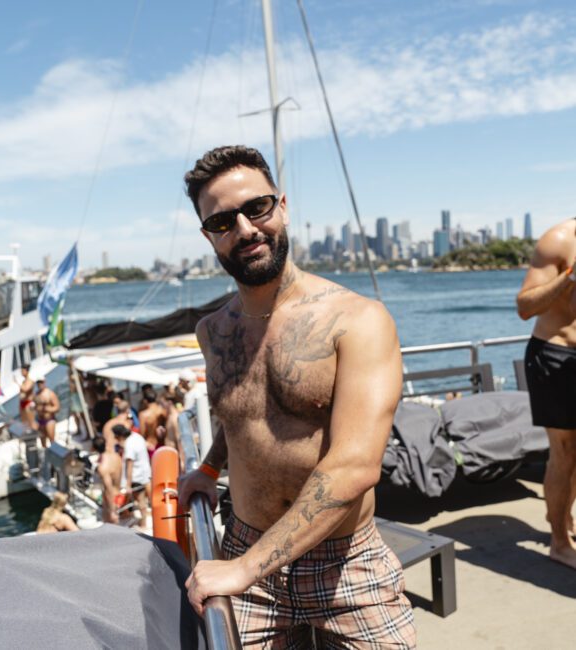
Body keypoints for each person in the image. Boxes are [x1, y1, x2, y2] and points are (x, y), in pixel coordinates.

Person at [178, 145, 415, 647]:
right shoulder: (212, 331)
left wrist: (243, 568)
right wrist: (208, 468)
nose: (244, 230)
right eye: (222, 222)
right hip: (246, 548)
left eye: (256, 208)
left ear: (281, 206)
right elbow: (240, 410)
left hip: (343, 559)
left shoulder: (357, 320)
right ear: (209, 237)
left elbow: (353, 466)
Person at [517, 217, 576, 570]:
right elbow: (525, 307)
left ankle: (563, 518)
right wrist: (568, 278)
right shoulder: (557, 239)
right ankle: (558, 542)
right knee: (565, 451)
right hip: (555, 354)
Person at [114, 424, 151, 529]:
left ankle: (143, 524)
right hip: (145, 473)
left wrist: (128, 484)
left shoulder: (129, 445)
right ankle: (135, 518)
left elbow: (130, 465)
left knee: (140, 501)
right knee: (142, 501)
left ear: (120, 436)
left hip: (136, 477)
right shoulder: (136, 436)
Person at [93, 436, 122, 524]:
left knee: (107, 525)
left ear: (94, 448)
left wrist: (112, 511)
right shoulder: (116, 455)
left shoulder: (102, 468)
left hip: (112, 500)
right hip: (119, 492)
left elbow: (108, 489)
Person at [34, 377, 60, 447]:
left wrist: (46, 409)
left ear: (44, 382)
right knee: (43, 442)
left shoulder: (50, 394)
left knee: (51, 440)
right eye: (38, 383)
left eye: (41, 382)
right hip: (40, 420)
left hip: (49, 420)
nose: (40, 384)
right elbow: (35, 407)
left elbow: (57, 407)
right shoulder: (36, 394)